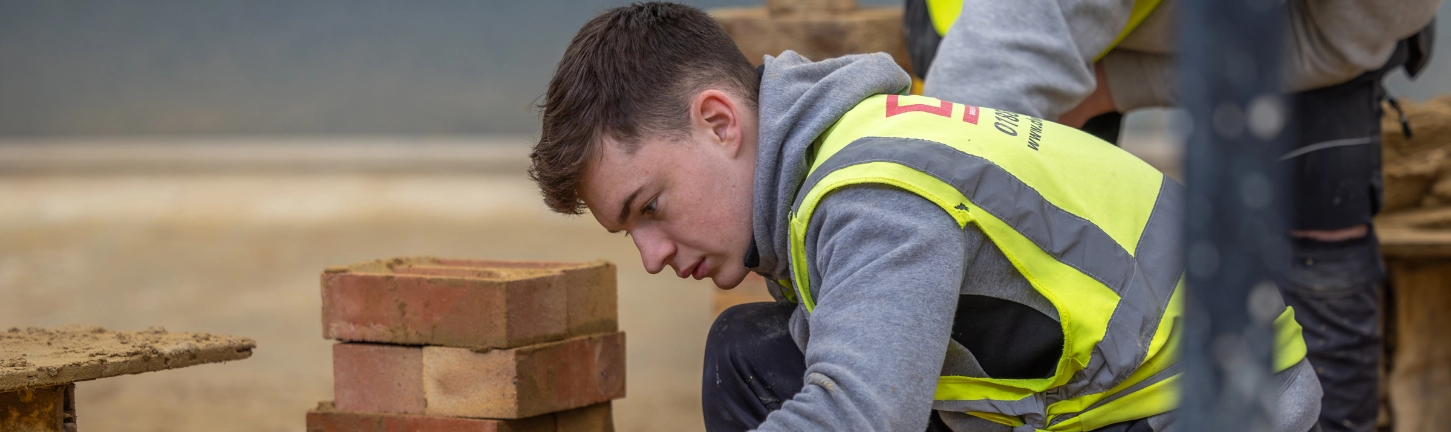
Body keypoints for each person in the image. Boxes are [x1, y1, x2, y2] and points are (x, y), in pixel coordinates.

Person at [530, 3, 1321, 431]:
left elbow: (861, 417)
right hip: (1131, 394)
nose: (652, 255)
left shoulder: (871, 194)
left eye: (651, 208)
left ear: (719, 122)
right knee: (753, 353)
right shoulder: (849, 148)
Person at [903, 1, 1439, 430]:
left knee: (1326, 203)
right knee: (1021, 272)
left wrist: (1116, 83)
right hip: (1008, 35)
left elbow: (1335, 42)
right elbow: (963, 138)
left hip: (1268, 28)